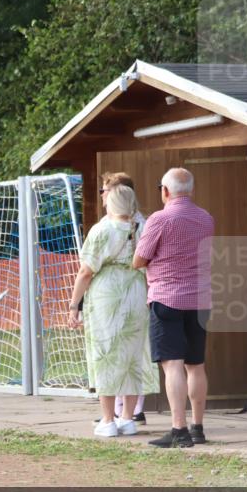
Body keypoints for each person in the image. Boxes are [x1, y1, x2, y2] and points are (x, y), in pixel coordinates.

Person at [68, 185, 159, 438]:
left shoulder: (101, 230)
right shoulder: (143, 227)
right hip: (136, 291)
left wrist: (74, 305)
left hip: (106, 294)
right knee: (132, 354)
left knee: (104, 353)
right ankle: (127, 419)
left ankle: (107, 420)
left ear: (111, 203)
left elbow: (86, 271)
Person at [133, 167, 215, 448]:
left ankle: (178, 430)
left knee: (173, 365)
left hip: (167, 298)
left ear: (165, 191)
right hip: (200, 300)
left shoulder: (159, 219)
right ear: (190, 189)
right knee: (196, 365)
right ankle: (198, 428)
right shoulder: (206, 218)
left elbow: (139, 259)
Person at [99, 172, 148, 423]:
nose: (103, 196)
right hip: (128, 292)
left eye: (105, 191)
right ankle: (124, 411)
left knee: (124, 350)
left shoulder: (129, 224)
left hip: (123, 293)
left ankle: (128, 410)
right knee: (123, 349)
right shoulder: (130, 222)